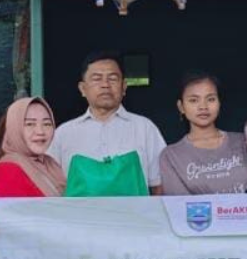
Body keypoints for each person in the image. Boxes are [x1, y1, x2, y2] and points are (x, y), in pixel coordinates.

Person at [50, 51, 167, 195]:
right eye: (97, 79)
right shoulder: (63, 134)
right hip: (79, 211)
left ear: (124, 87)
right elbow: (50, 188)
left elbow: (158, 186)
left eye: (112, 78)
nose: (105, 85)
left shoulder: (145, 128)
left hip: (133, 210)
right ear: (83, 89)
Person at [159, 71, 247, 195]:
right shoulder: (171, 156)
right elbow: (180, 203)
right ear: (181, 107)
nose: (203, 106)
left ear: (219, 103)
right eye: (193, 100)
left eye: (211, 99)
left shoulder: (243, 142)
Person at [0, 97, 66, 197]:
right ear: (14, 128)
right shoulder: (5, 172)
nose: (40, 131)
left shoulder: (51, 164)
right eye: (30, 124)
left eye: (47, 124)